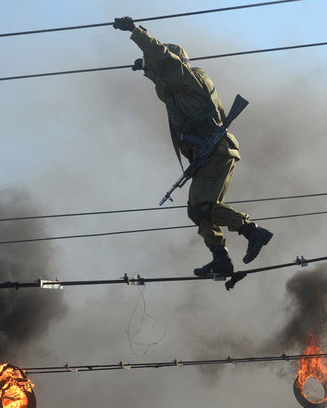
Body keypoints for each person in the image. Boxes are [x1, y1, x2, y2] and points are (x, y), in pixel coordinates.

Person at [114, 17, 272, 277]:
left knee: (202, 207)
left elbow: (164, 60)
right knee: (199, 211)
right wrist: (146, 67)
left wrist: (136, 32)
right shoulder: (178, 89)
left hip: (215, 148)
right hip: (208, 152)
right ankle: (220, 258)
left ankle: (252, 231)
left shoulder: (192, 80)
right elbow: (162, 79)